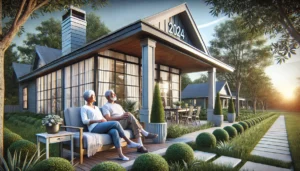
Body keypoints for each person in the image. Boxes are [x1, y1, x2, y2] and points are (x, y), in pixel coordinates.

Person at [81, 90, 141, 161]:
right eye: (93, 95)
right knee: (115, 123)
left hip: (102, 125)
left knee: (114, 131)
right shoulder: (84, 108)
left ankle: (120, 155)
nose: (95, 96)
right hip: (94, 127)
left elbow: (101, 117)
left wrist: (104, 120)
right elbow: (84, 121)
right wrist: (98, 121)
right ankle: (129, 142)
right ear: (89, 97)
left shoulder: (96, 107)